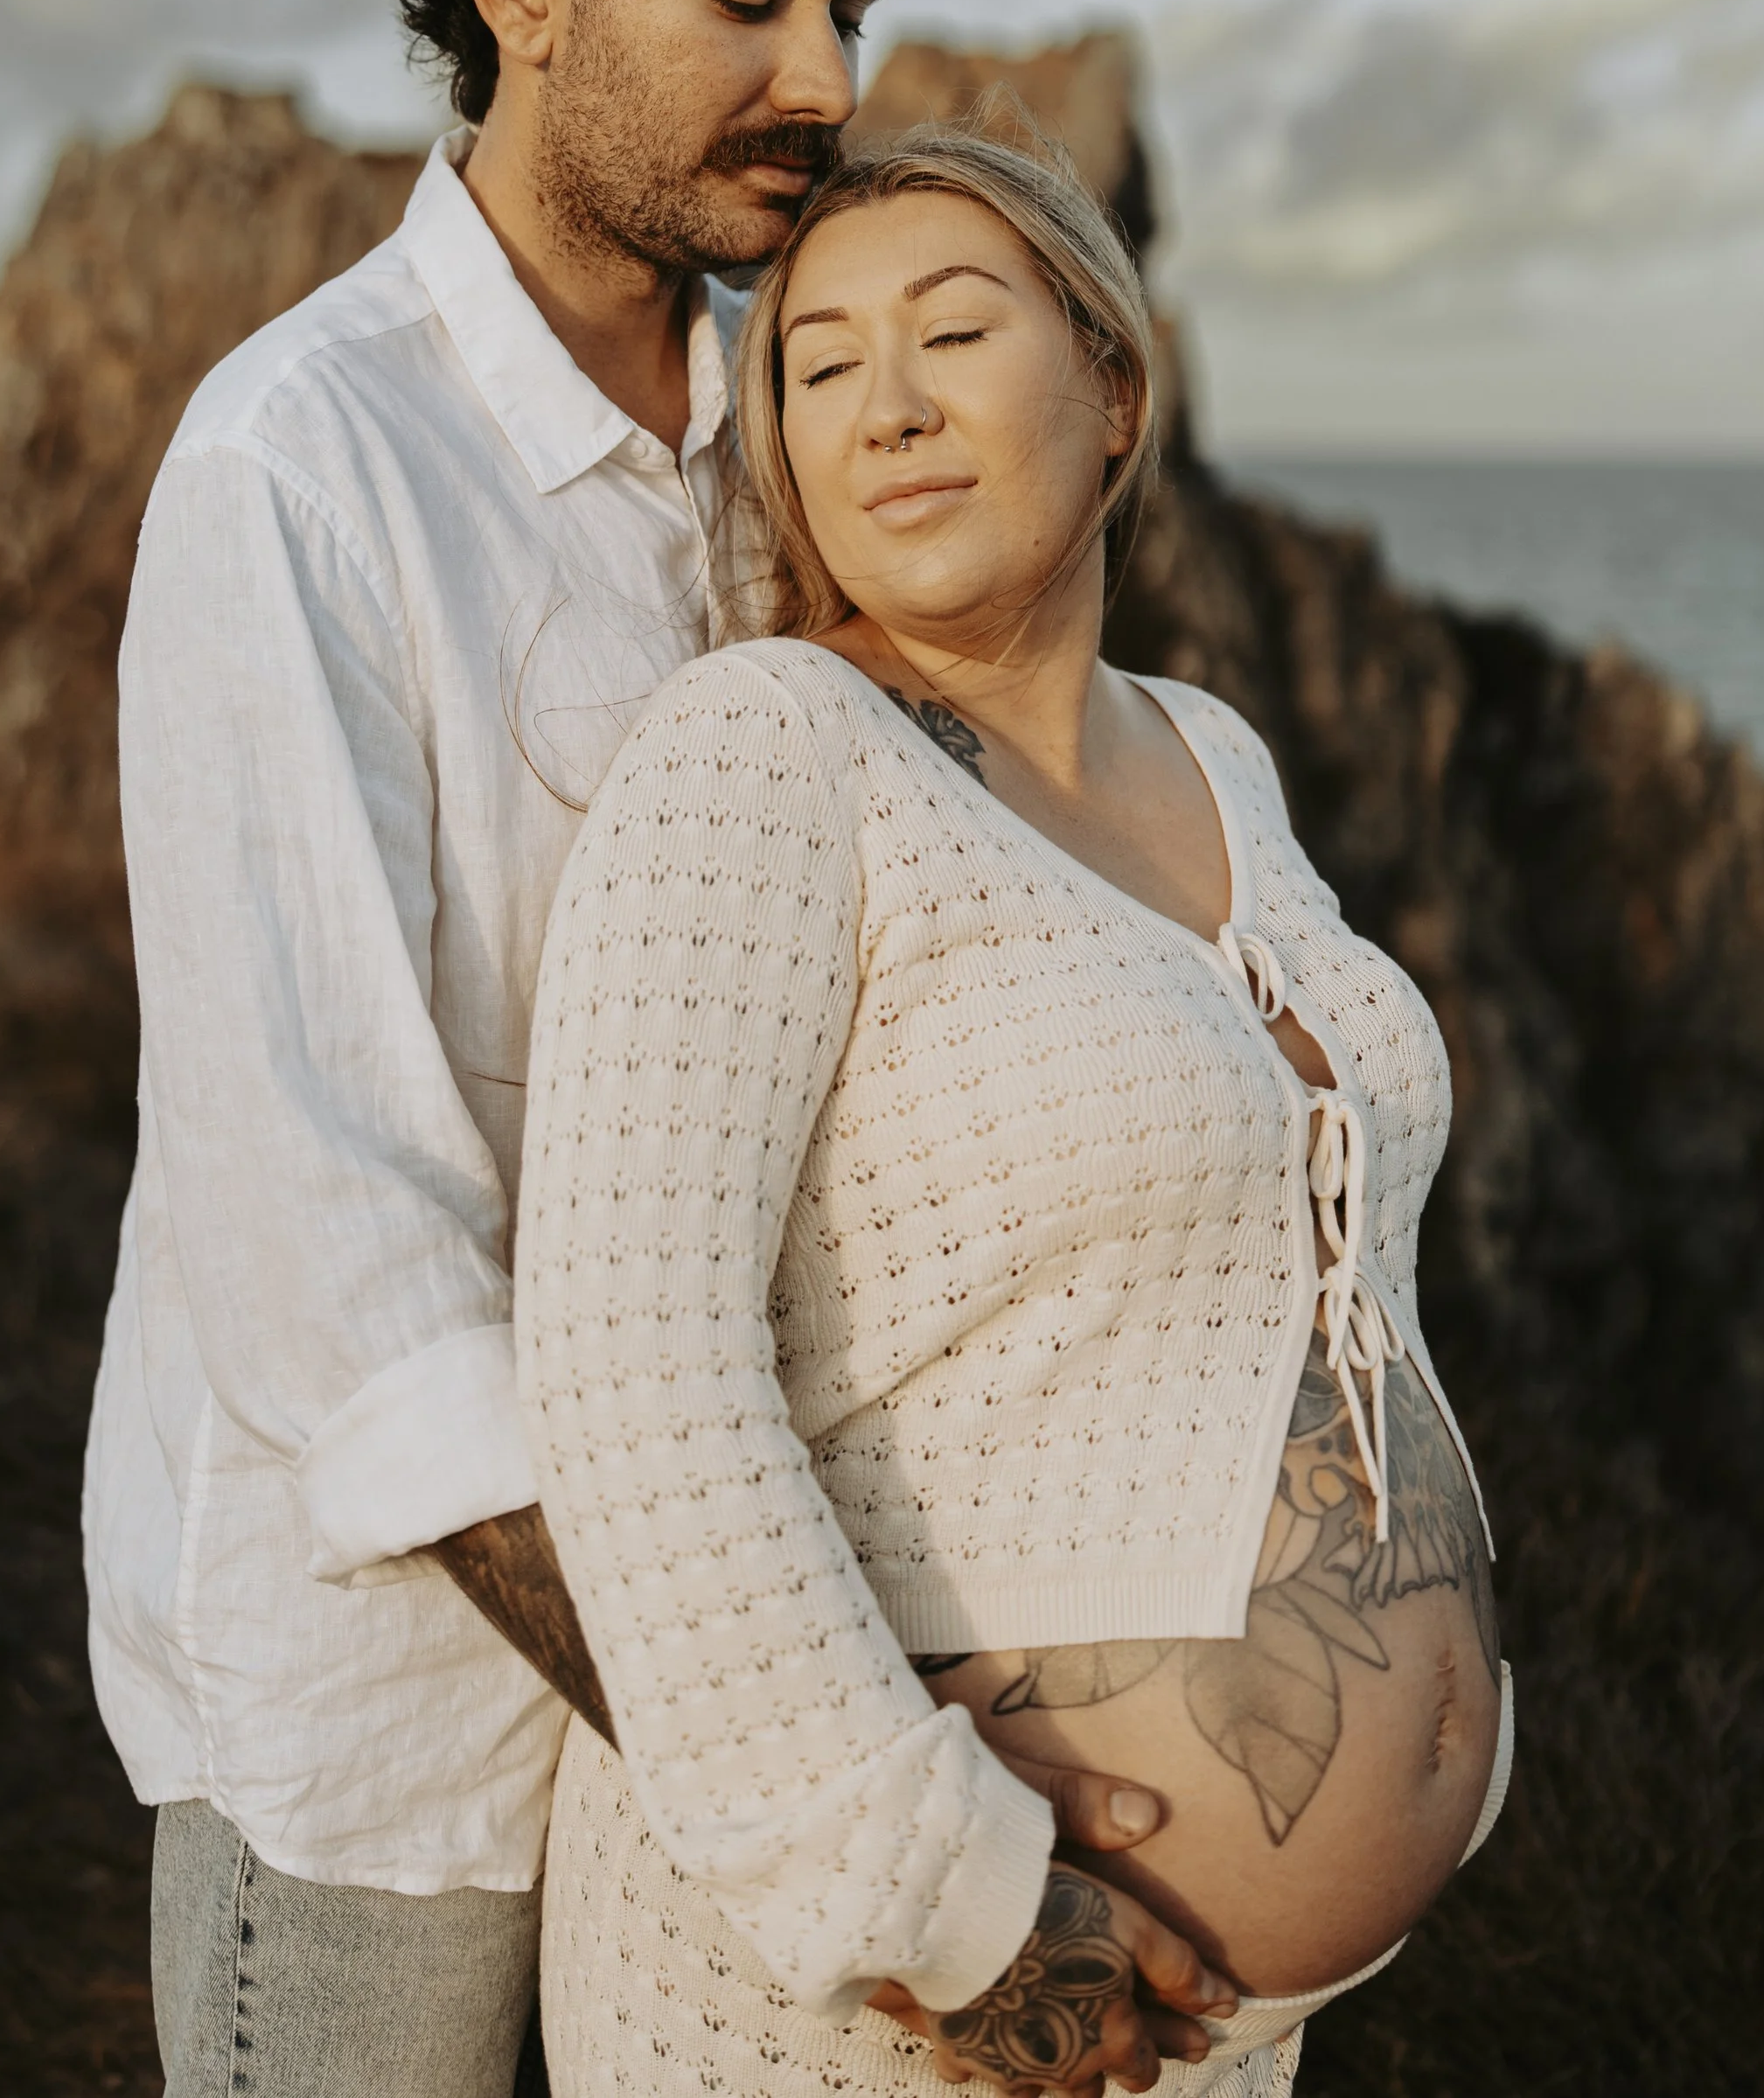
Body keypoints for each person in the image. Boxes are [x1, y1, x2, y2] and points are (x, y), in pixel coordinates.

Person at [83, 0, 1195, 2098]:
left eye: (854, 0)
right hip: (406, 1739)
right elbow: (332, 1259)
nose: (827, 77)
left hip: (770, 1708)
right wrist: (819, 1785)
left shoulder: (791, 438)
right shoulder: (300, 470)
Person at [516, 125, 1514, 2098]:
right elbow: (627, 1368)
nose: (882, 408)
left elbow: (1316, 1265)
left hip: (1213, 2029)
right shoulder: (767, 751)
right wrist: (943, 1907)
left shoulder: (1213, 756)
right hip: (885, 2012)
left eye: (952, 333)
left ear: (1113, 389)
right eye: (812, 367)